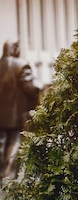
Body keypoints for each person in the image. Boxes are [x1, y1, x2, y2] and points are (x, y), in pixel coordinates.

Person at [0, 40, 41, 180]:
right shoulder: (21, 66)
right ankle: (9, 173)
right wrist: (38, 93)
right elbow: (29, 89)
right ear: (13, 49)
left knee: (2, 142)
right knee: (15, 141)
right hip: (14, 114)